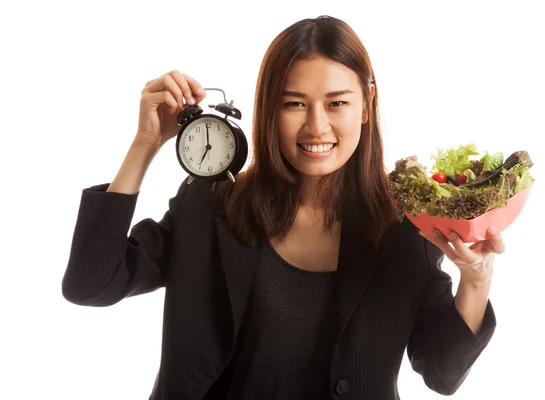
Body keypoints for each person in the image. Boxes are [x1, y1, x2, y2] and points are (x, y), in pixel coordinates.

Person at [62, 15, 504, 400]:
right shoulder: (211, 204)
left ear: (366, 107)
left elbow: (442, 373)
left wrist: (476, 277)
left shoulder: (407, 228)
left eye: (337, 103)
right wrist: (145, 144)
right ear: (268, 110)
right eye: (294, 103)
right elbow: (92, 283)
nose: (317, 126)